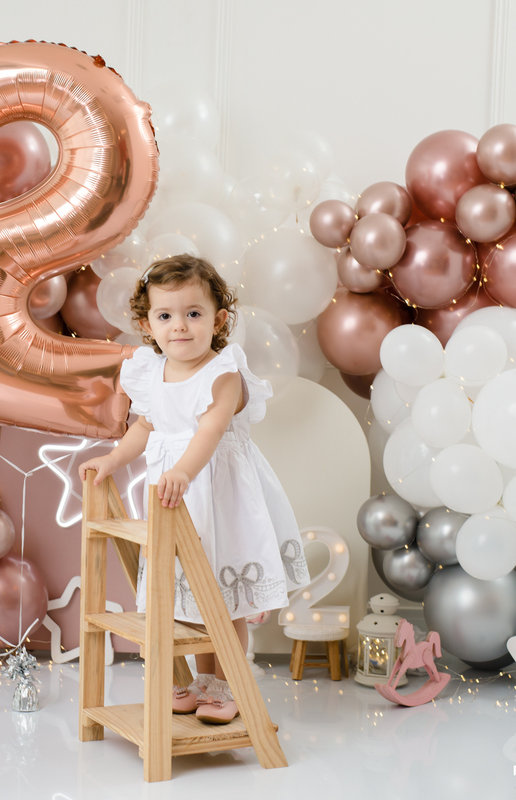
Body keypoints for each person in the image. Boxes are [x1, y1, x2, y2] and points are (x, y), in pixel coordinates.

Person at [78, 254, 309, 724]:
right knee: (186, 602)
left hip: (219, 496)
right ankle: (202, 684)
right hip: (175, 500)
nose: (179, 326)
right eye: (166, 316)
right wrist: (115, 458)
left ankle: (228, 685)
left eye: (193, 314)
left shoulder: (223, 374)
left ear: (218, 320)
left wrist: (183, 470)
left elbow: (210, 430)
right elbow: (144, 426)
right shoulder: (152, 373)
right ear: (148, 324)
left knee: (223, 602)